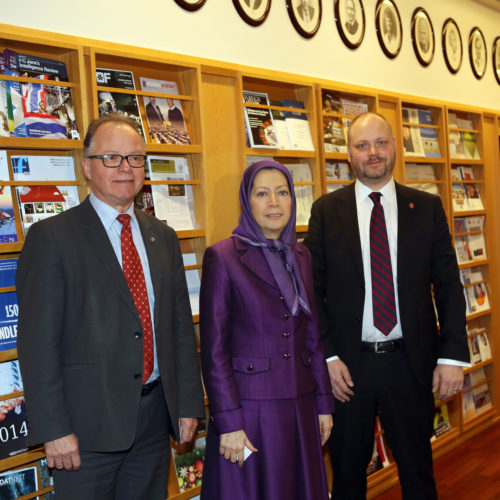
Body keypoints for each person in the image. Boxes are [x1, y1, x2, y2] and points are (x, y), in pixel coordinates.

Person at [16, 113, 205, 500]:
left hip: (153, 423)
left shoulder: (163, 237)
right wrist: (53, 429)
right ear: (87, 166)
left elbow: (179, 330)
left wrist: (187, 403)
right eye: (112, 158)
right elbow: (37, 346)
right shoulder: (51, 238)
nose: (125, 168)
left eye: (135, 158)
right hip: (85, 433)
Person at [304, 112, 469, 500]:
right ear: (349, 154)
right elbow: (311, 291)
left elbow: (447, 284)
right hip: (348, 369)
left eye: (380, 143)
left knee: (417, 473)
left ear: (395, 147)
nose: (373, 153)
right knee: (346, 476)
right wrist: (326, 358)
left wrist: (453, 356)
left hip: (410, 365)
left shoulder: (426, 208)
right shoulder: (326, 212)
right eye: (362, 145)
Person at [200, 161, 334, 500]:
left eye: (282, 192)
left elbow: (314, 339)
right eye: (262, 193)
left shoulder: (301, 255)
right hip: (250, 412)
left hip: (301, 407)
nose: (274, 202)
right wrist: (229, 422)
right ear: (247, 201)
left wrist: (323, 404)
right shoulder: (223, 256)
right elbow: (214, 351)